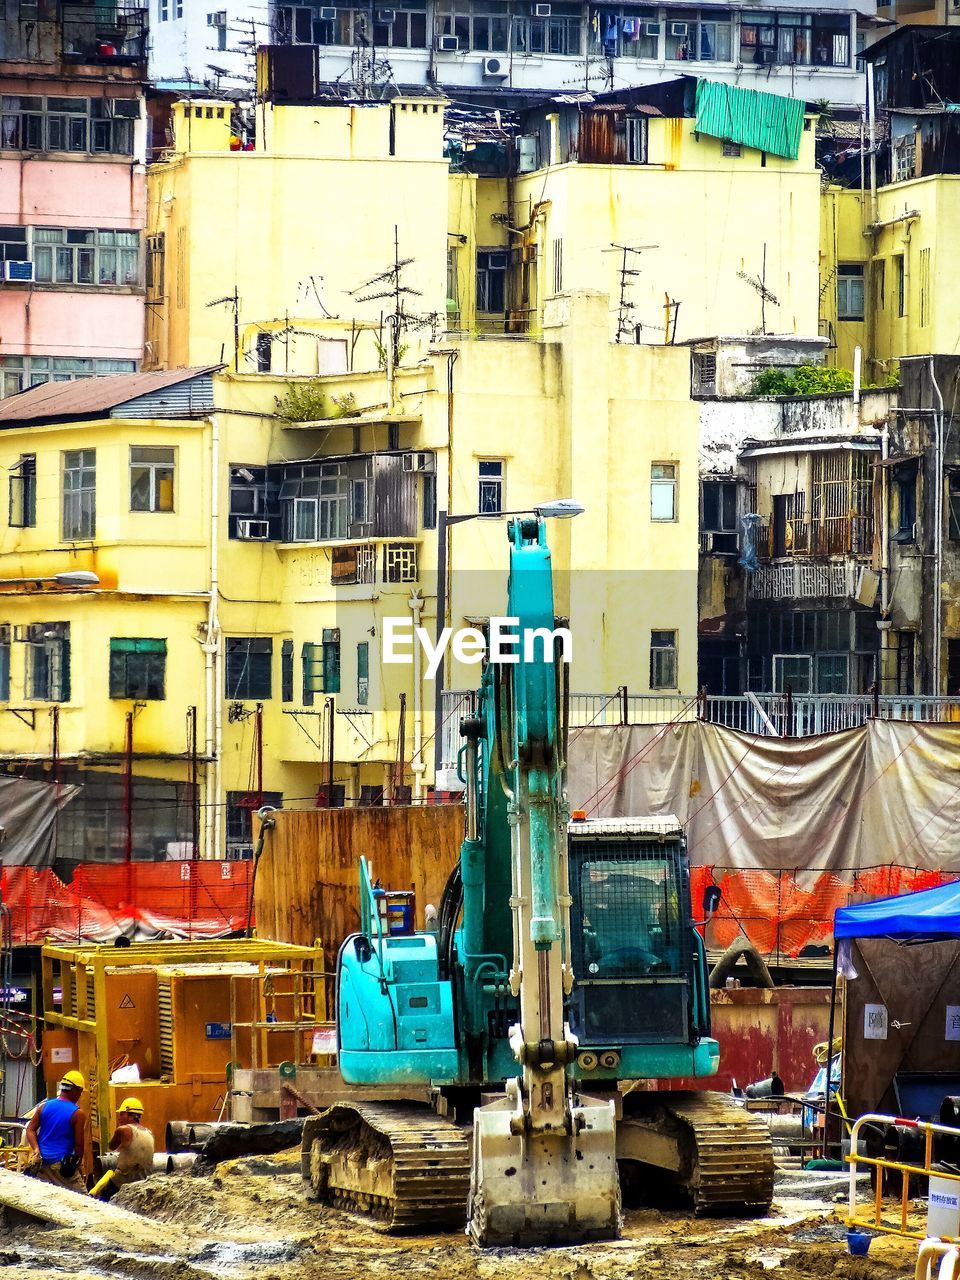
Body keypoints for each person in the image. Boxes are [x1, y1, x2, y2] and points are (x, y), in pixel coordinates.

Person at [24, 1070, 87, 1192]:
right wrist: (77, 1165)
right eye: (80, 1092)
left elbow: (30, 1129)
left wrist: (36, 1148)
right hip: (61, 1166)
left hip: (42, 1164)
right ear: (76, 1090)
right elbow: (79, 1144)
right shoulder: (77, 1114)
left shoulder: (44, 1107)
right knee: (85, 1202)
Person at [89, 1098, 154, 1201]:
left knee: (102, 1197)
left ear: (129, 1115)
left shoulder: (123, 1130)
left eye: (121, 1114)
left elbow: (112, 1146)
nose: (119, 1118)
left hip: (123, 1180)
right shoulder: (148, 1132)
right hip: (144, 1181)